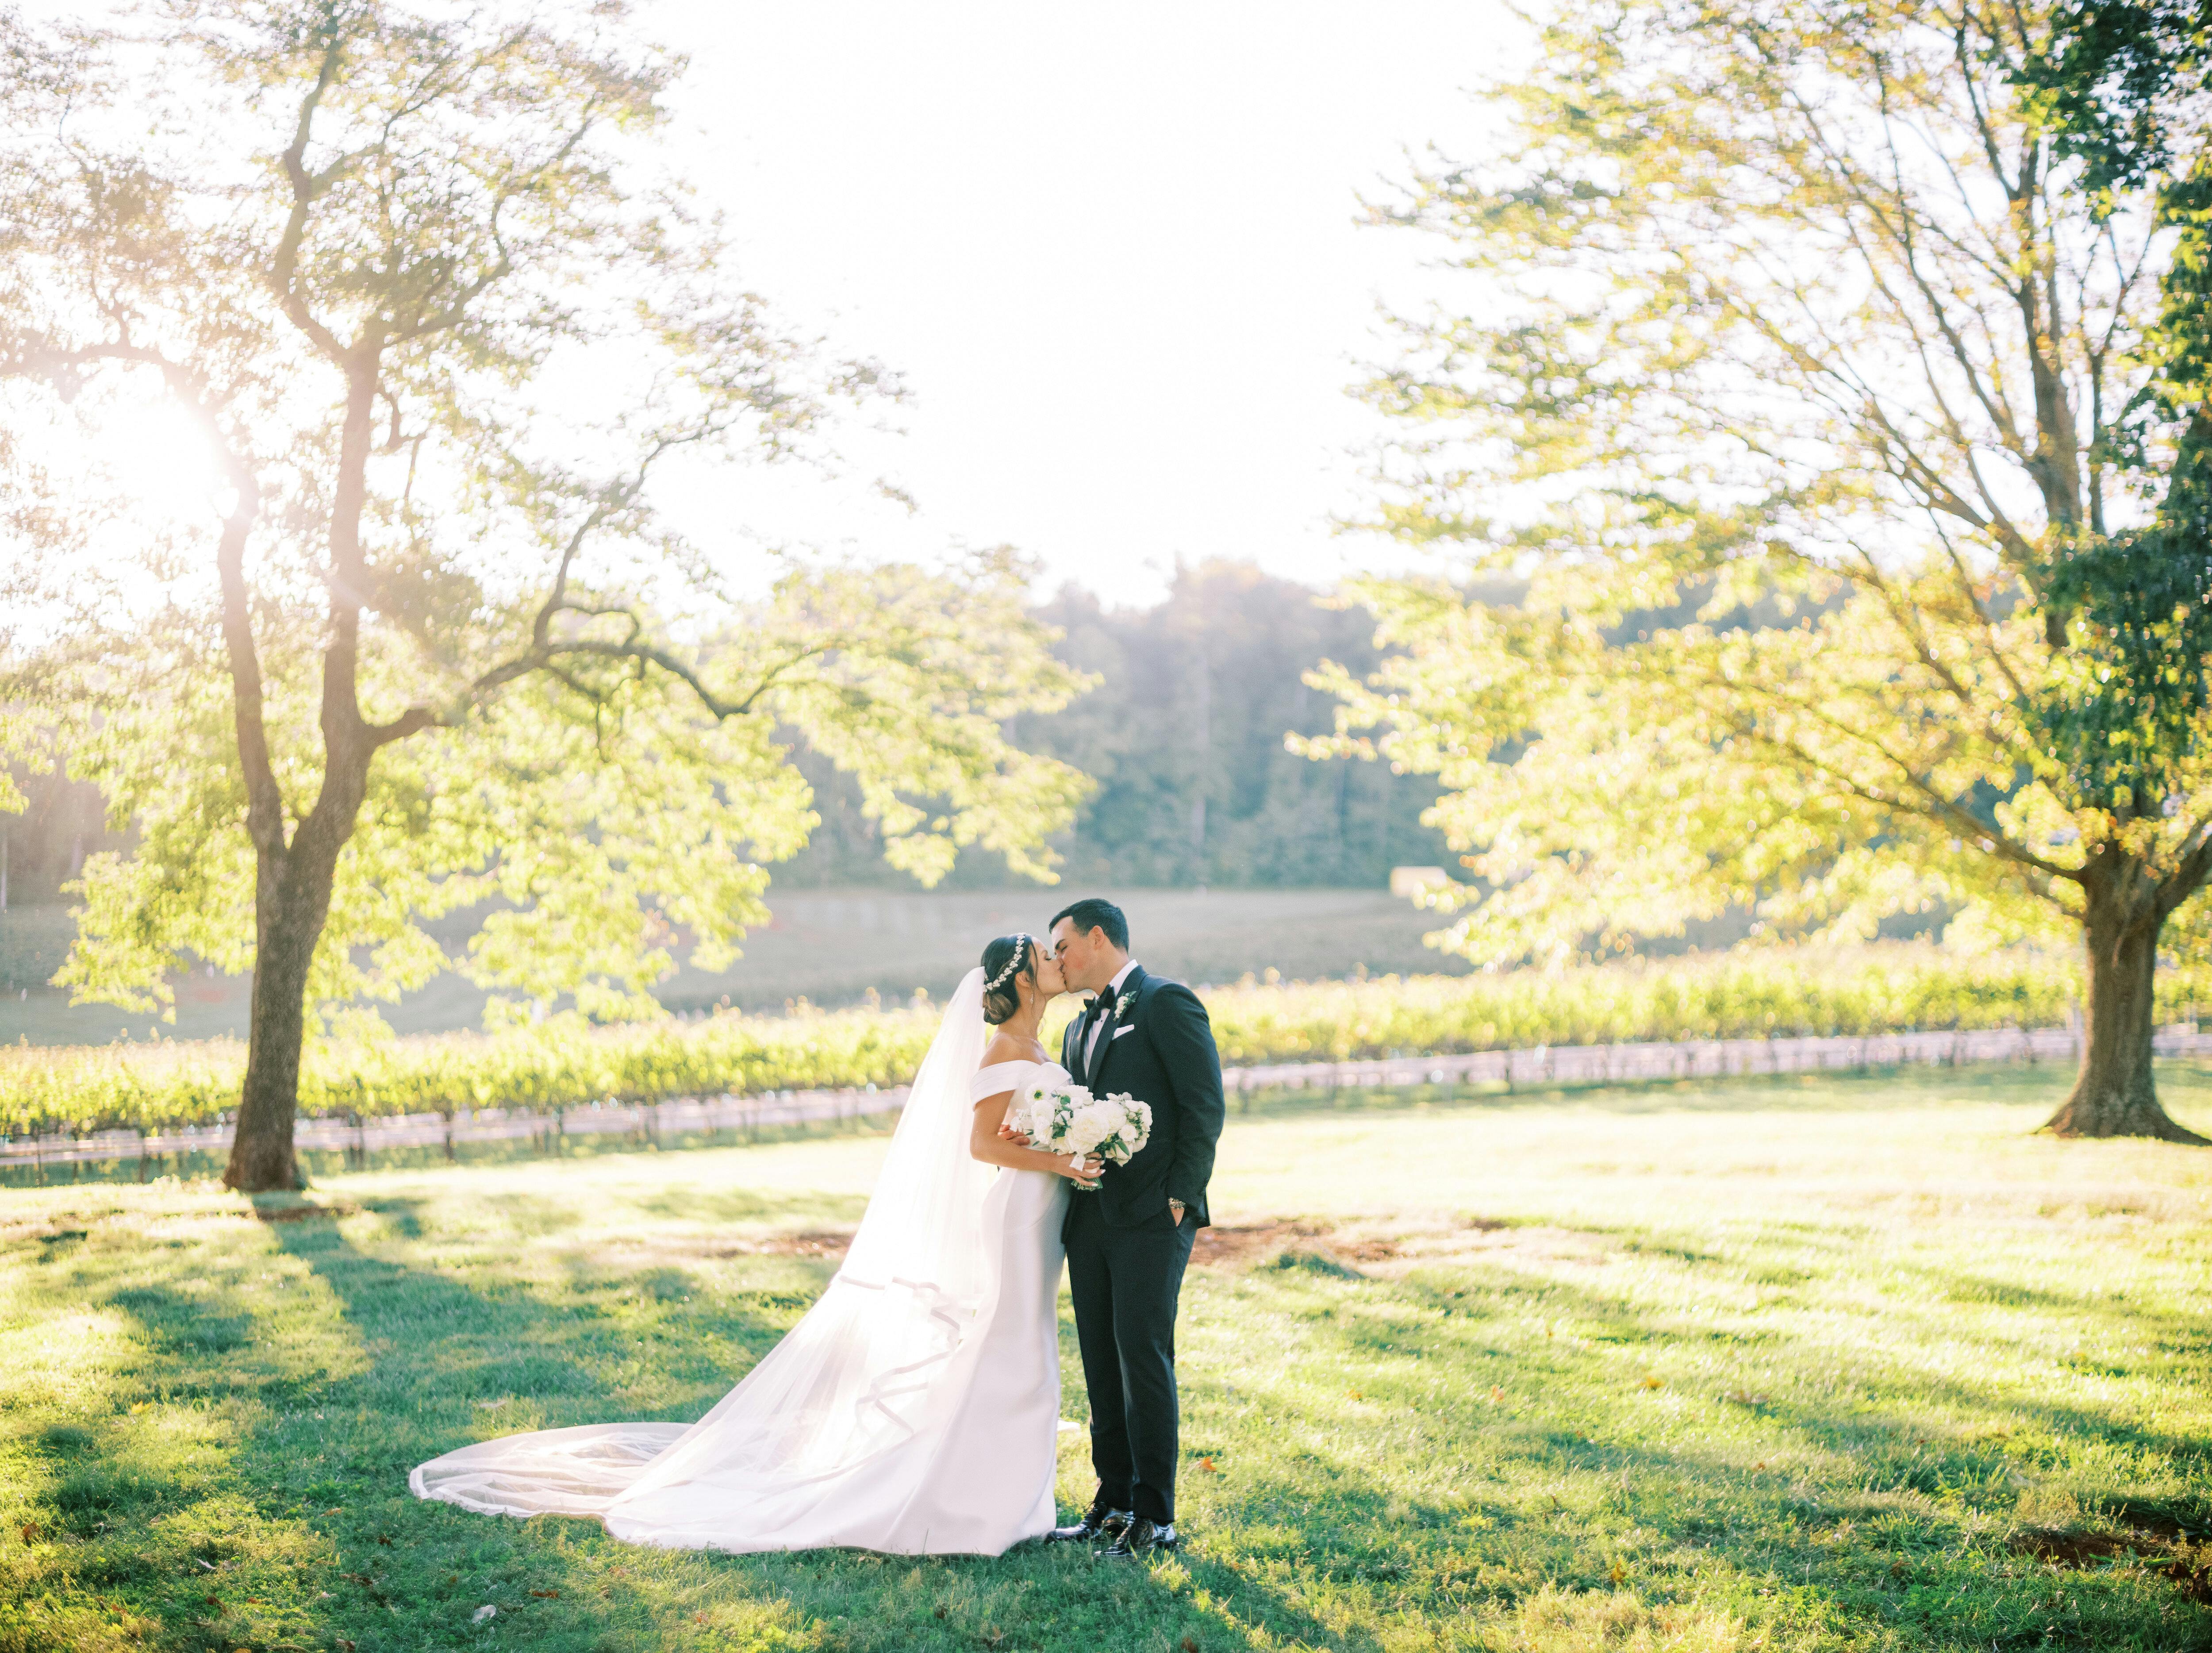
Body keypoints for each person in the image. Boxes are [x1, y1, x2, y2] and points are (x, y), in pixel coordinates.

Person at [407, 936, 1101, 1556]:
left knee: (1028, 1341)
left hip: (1039, 1212)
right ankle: (969, 1508)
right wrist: (1064, 1161)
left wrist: (1068, 1143)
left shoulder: (1039, 1049)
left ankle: (1010, 1499)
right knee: (1006, 1343)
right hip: (1015, 1214)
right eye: (1044, 956)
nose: (1054, 959)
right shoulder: (1005, 1051)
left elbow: (1015, 1132)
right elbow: (982, 1144)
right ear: (1019, 983)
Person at [1029, 897, 1224, 1559]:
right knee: (1100, 1363)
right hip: (1091, 1218)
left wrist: (1179, 1198)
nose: (1056, 959)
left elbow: (1204, 1106)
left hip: (1151, 1217)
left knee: (1143, 1358)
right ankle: (1111, 1503)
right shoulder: (1074, 1028)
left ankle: (1156, 1516)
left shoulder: (1166, 1003)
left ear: (1099, 937)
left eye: (1062, 946)